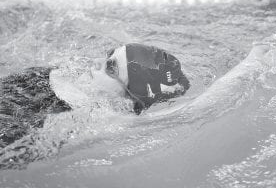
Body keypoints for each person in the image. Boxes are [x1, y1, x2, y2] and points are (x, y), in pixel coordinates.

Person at [0, 43, 190, 147]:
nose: (97, 61)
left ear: (127, 99)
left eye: (111, 66)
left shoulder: (70, 123)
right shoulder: (46, 75)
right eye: (109, 54)